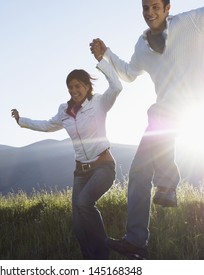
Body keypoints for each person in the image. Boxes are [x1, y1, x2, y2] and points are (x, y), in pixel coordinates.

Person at [90, 0, 204, 259]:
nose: (149, 13)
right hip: (165, 118)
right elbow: (130, 74)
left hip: (196, 107)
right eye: (145, 8)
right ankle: (136, 241)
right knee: (138, 171)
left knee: (156, 112)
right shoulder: (142, 45)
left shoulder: (191, 22)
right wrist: (106, 53)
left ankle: (167, 184)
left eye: (155, 7)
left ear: (167, 8)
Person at [10, 53, 122, 259]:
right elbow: (46, 125)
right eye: (70, 87)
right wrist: (21, 120)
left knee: (84, 204)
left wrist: (102, 63)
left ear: (87, 87)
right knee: (78, 224)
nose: (74, 90)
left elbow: (117, 87)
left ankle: (104, 250)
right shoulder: (64, 110)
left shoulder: (99, 103)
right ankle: (90, 260)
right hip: (81, 172)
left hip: (103, 166)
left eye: (78, 86)